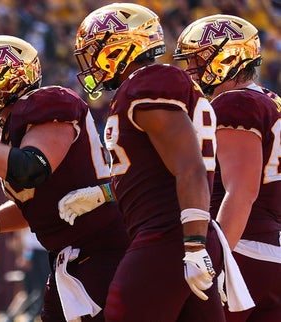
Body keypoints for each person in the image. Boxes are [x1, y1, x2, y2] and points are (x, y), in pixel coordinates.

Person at [0, 34, 128, 321]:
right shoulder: (3, 126)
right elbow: (36, 205)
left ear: (7, 81)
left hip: (107, 248)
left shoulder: (47, 102)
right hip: (69, 254)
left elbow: (31, 169)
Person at [68, 3, 223, 321]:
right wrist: (106, 193)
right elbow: (153, 170)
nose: (92, 64)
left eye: (95, 52)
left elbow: (189, 167)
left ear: (118, 48)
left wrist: (193, 245)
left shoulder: (147, 85)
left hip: (168, 237)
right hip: (179, 232)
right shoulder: (146, 86)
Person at [174, 14, 281, 321]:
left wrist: (217, 261)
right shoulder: (270, 101)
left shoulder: (235, 103)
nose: (191, 69)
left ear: (229, 56)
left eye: (199, 59)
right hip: (268, 250)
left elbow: (242, 190)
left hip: (243, 250)